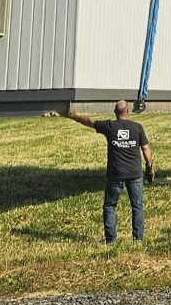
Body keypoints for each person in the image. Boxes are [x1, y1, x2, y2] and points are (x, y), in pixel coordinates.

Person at [62, 98, 154, 244]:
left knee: (110, 206)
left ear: (115, 112)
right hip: (135, 174)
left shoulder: (110, 126)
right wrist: (149, 167)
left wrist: (74, 116)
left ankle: (111, 240)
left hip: (116, 175)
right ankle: (138, 239)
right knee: (137, 207)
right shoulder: (137, 127)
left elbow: (89, 122)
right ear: (128, 112)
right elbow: (146, 149)